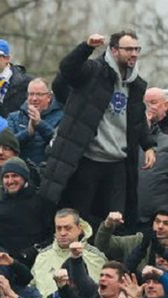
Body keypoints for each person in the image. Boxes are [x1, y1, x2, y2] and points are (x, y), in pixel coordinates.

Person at [41, 31, 155, 229]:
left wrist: (149, 145)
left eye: (137, 49)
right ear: (114, 50)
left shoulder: (136, 84)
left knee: (117, 221)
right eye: (128, 49)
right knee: (82, 220)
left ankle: (112, 260)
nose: (134, 54)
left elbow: (137, 118)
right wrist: (86, 47)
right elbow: (67, 70)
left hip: (117, 163)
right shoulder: (93, 71)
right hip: (89, 159)